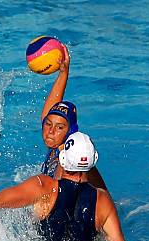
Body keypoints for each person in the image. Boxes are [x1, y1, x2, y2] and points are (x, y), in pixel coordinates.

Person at [40, 44, 107, 190]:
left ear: (70, 131)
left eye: (59, 127)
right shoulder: (59, 146)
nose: (50, 131)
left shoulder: (73, 162)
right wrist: (63, 73)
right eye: (48, 124)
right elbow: (48, 116)